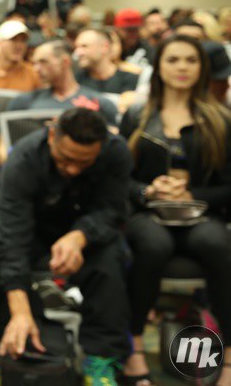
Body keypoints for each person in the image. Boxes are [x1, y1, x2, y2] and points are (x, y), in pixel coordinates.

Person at [0, 108, 132, 384]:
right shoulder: (23, 159)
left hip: (85, 234)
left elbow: (114, 210)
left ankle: (102, 360)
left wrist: (80, 235)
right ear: (52, 135)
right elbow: (13, 236)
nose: (73, 169)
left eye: (84, 162)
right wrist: (21, 312)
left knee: (111, 258)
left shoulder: (116, 152)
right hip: (30, 229)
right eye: (66, 159)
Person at [119, 34, 231, 386]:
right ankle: (135, 345)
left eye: (190, 60)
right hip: (148, 213)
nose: (182, 67)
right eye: (173, 59)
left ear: (202, 68)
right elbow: (119, 179)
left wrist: (192, 193)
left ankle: (229, 356)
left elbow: (229, 187)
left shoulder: (221, 119)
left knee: (217, 244)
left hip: (202, 213)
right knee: (153, 246)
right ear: (158, 67)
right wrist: (148, 190)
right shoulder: (136, 116)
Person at [9, 39, 119, 125]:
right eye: (35, 63)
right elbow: (5, 143)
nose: (36, 69)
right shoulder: (23, 102)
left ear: (65, 62)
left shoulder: (97, 103)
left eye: (43, 62)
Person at [0, 20, 40, 93]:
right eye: (13, 40)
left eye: (23, 41)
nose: (19, 46)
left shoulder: (35, 75)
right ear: (0, 42)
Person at [74, 28, 139, 96]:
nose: (78, 52)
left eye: (84, 46)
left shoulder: (130, 80)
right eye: (76, 47)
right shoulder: (76, 80)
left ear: (105, 47)